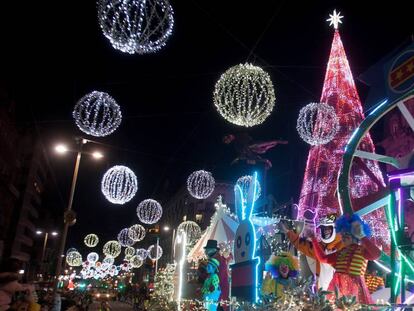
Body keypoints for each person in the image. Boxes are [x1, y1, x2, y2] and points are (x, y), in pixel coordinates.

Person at [311, 214, 381, 304]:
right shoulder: (341, 252)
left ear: (354, 235)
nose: (343, 237)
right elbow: (323, 258)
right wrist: (313, 239)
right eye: (342, 234)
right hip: (338, 287)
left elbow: (376, 254)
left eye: (346, 234)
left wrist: (362, 236)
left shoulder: (362, 250)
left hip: (355, 289)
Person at [279, 214, 344, 290]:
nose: (326, 231)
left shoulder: (344, 245)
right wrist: (287, 232)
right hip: (323, 291)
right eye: (323, 229)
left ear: (335, 228)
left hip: (342, 290)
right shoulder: (319, 247)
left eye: (328, 228)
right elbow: (301, 245)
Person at [203, 240, 230, 310]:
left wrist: (211, 286)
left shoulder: (217, 259)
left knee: (215, 307)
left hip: (217, 292)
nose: (206, 252)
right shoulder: (215, 258)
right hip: (217, 291)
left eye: (207, 249)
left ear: (213, 250)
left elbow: (218, 277)